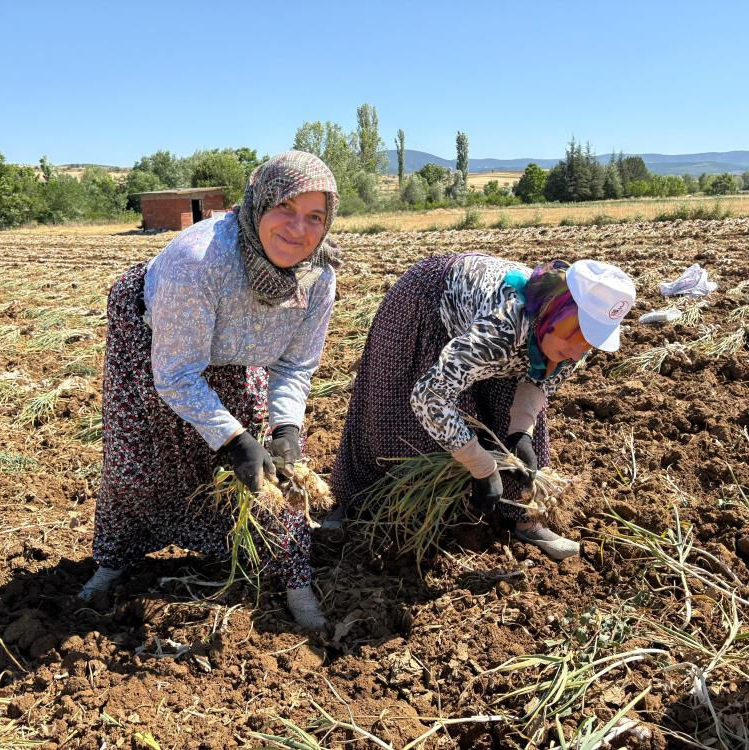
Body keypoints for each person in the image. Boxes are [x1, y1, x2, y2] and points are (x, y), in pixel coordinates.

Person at [79, 151, 339, 630]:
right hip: (154, 341)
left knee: (272, 479)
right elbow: (177, 373)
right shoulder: (200, 261)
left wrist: (286, 427)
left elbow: (295, 363)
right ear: (258, 204)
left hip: (236, 351)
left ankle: (294, 580)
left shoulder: (318, 277)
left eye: (314, 217)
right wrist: (234, 439)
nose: (298, 229)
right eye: (285, 207)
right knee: (136, 467)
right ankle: (114, 562)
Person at [328, 254, 636, 558]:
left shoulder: (569, 342)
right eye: (576, 335)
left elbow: (538, 383)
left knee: (513, 430)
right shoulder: (502, 326)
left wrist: (521, 432)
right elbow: (430, 397)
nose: (578, 352)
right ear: (557, 313)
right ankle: (356, 501)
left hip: (505, 331)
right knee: (392, 411)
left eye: (589, 341)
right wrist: (480, 465)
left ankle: (525, 518)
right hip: (429, 301)